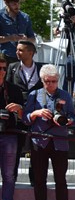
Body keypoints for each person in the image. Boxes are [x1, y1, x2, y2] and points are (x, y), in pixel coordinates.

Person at [22, 64, 75, 200]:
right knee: (39, 179)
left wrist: (66, 121)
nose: (51, 84)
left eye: (53, 81)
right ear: (42, 80)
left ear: (58, 80)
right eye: (47, 81)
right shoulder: (34, 95)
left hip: (60, 142)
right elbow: (25, 119)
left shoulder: (65, 95)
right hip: (39, 141)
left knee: (61, 179)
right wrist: (35, 113)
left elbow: (74, 119)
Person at [6, 40, 42, 182]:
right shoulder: (13, 67)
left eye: (21, 50)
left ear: (30, 52)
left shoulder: (42, 68)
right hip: (17, 114)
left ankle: (35, 178)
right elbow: (8, 87)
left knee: (36, 148)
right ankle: (12, 178)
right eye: (17, 50)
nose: (17, 53)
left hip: (36, 112)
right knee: (16, 146)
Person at [0, 53, 24, 200]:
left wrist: (19, 109)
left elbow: (24, 117)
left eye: (4, 68)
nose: (2, 71)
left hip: (9, 135)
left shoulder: (14, 89)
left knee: (9, 175)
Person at [0, 0, 35, 64]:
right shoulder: (0, 17)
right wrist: (9, 38)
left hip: (23, 58)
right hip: (5, 58)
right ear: (6, 3)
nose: (17, 6)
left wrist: (26, 39)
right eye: (14, 4)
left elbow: (33, 39)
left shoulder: (25, 17)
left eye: (19, 3)